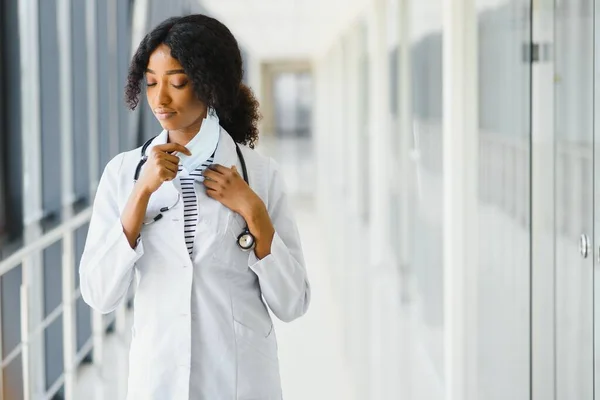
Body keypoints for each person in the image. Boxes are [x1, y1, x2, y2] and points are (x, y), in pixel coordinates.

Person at [79, 14, 310, 400]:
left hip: (239, 377)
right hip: (159, 377)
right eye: (151, 82)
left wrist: (254, 213)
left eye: (178, 82)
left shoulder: (259, 175)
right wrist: (140, 195)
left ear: (210, 84)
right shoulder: (123, 174)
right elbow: (99, 295)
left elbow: (293, 302)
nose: (160, 99)